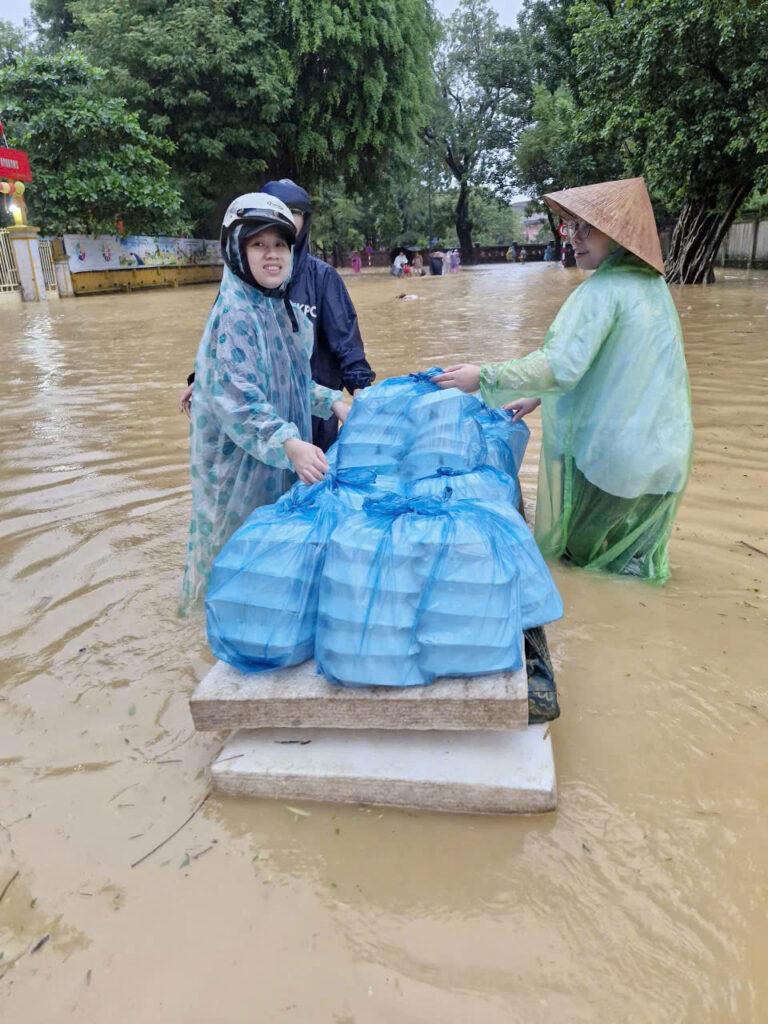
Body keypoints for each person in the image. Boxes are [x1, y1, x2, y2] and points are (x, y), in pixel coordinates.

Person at [434, 177, 693, 583]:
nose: (574, 237)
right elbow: (621, 368)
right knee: (632, 571)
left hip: (615, 463)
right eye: (571, 226)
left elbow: (560, 367)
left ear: (619, 235)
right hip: (664, 459)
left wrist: (482, 376)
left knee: (580, 567)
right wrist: (537, 397)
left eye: (587, 227)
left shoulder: (603, 291)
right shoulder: (653, 288)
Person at [179, 193, 348, 611]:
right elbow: (239, 401)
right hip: (238, 469)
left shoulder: (278, 308)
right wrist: (289, 443)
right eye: (259, 245)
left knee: (269, 565)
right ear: (238, 250)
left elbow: (292, 382)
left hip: (276, 461)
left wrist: (334, 402)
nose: (272, 255)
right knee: (233, 563)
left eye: (280, 245)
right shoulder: (235, 314)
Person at [179, 179, 375, 453]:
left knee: (313, 478)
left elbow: (346, 339)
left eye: (293, 210)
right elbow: (223, 348)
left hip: (313, 410)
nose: (272, 255)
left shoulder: (323, 277)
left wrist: (360, 389)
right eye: (259, 244)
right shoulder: (238, 291)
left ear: (304, 220)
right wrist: (200, 378)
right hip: (257, 418)